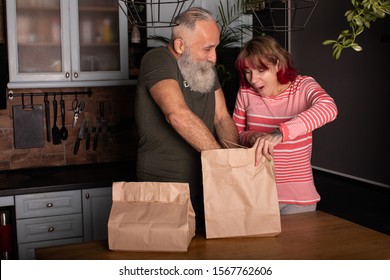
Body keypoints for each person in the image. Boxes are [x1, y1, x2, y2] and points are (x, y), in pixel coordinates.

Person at [135, 7, 239, 225]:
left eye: (215, 48)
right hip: (166, 187)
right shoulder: (157, 59)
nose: (214, 57)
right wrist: (222, 163)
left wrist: (233, 164)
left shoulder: (205, 68)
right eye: (207, 49)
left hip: (207, 185)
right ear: (180, 45)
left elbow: (221, 117)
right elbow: (177, 115)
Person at [233, 35, 338, 215]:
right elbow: (234, 136)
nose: (253, 79)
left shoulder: (303, 86)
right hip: (255, 194)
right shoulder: (245, 92)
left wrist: (280, 133)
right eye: (248, 72)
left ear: (278, 65)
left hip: (298, 198)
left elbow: (329, 108)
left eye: (260, 70)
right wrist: (252, 136)